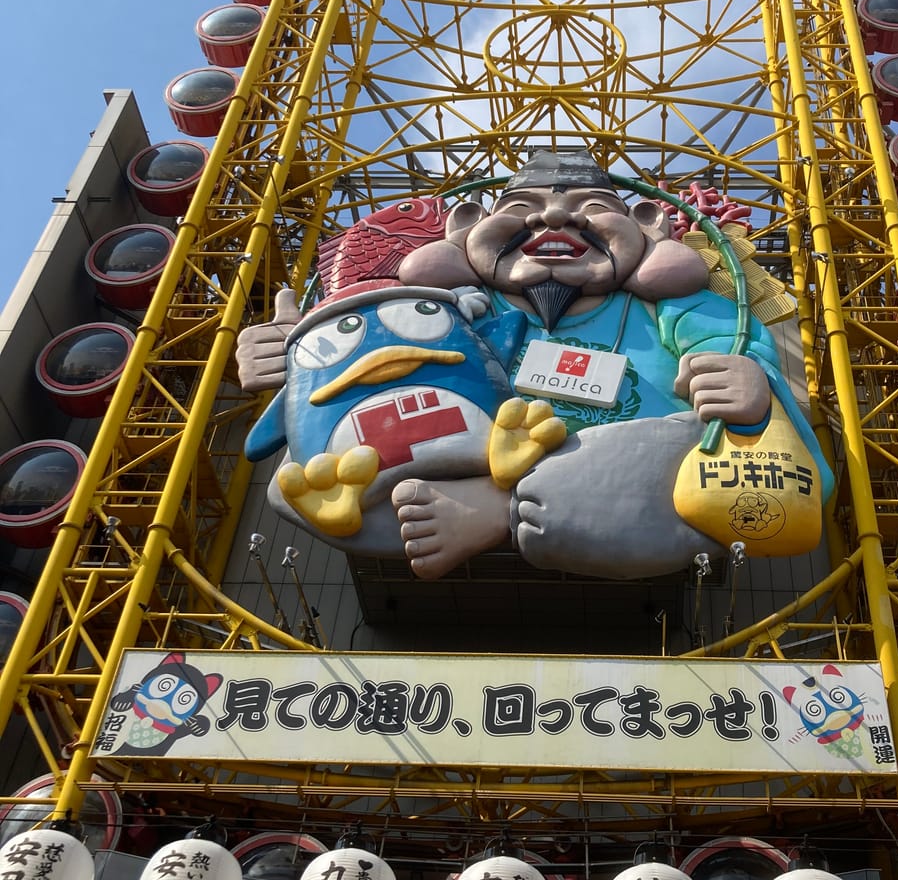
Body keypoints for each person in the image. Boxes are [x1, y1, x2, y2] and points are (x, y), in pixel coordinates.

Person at [238, 152, 832, 579]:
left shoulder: (681, 310)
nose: (552, 220)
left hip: (628, 483)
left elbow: (754, 388)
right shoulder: (446, 309)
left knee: (620, 468)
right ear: (467, 230)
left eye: (592, 207)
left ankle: (495, 509)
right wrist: (298, 358)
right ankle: (488, 502)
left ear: (649, 226)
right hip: (448, 468)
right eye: (522, 206)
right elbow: (355, 384)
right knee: (301, 481)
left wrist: (753, 394)